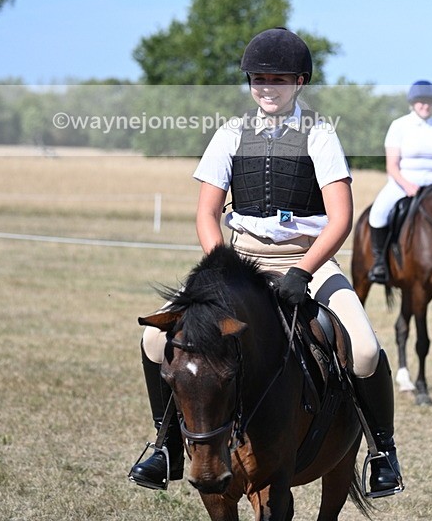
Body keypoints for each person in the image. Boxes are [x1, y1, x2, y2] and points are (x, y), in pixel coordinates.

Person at [129, 27, 403, 498]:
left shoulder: (319, 135)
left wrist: (302, 271)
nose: (266, 87)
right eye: (258, 78)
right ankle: (166, 445)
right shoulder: (230, 134)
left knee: (362, 349)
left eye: (277, 78)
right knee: (156, 339)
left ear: (299, 81)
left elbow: (341, 217)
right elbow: (207, 211)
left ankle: (383, 452)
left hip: (307, 258)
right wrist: (219, 264)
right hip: (240, 258)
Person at [368, 80, 432, 284]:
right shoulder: (399, 126)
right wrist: (408, 186)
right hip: (404, 183)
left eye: (429, 102)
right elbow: (392, 166)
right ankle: (380, 262)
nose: (425, 105)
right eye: (420, 102)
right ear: (412, 103)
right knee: (378, 213)